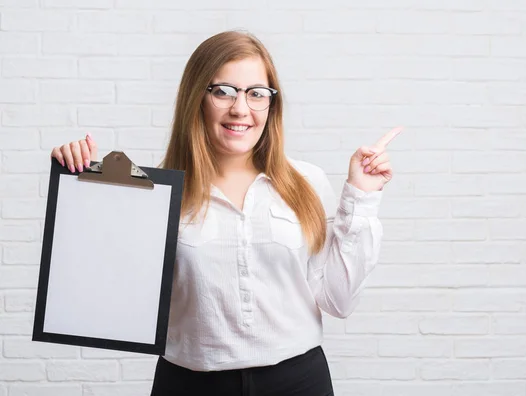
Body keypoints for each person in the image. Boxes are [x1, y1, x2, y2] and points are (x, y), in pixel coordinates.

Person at [50, 30, 400, 396]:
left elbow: (339, 301)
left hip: (298, 382)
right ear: (197, 98)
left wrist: (361, 198)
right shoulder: (155, 192)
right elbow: (111, 289)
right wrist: (81, 183)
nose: (240, 108)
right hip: (189, 384)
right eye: (223, 91)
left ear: (271, 103)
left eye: (256, 93)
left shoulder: (307, 182)